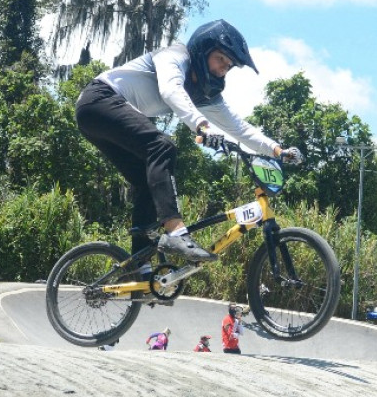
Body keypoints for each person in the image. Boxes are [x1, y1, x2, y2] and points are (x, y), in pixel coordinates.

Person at [75, 19, 303, 266]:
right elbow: (171, 90)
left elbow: (238, 127)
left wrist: (276, 150)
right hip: (99, 100)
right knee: (162, 146)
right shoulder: (175, 56)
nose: (222, 69)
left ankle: (138, 268)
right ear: (203, 51)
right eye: (220, 60)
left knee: (146, 179)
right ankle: (175, 232)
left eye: (228, 66)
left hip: (101, 119)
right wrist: (202, 126)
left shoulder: (205, 94)